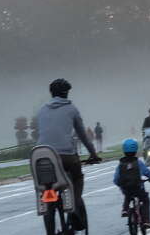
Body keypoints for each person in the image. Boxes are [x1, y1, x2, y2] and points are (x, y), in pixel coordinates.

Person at [35, 78, 102, 227]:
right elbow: (83, 136)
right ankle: (74, 207)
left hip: (41, 156)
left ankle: (48, 216)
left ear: (51, 93)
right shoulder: (71, 109)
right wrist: (93, 154)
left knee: (45, 186)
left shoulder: (41, 110)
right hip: (66, 155)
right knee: (76, 178)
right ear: (66, 93)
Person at [115, 138, 150, 229]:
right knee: (145, 200)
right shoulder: (138, 163)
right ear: (136, 150)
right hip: (138, 188)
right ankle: (147, 221)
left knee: (127, 195)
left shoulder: (121, 164)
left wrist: (120, 184)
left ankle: (125, 209)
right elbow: (148, 172)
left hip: (126, 189)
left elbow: (116, 179)